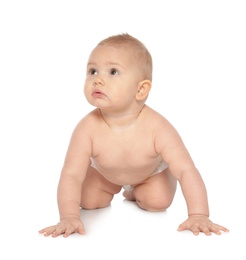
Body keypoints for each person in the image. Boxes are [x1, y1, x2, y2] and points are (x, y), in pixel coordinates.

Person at [39, 33, 229, 238]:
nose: (97, 80)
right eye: (92, 71)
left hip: (149, 173)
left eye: (113, 71)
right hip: (105, 173)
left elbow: (185, 169)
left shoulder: (158, 127)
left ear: (141, 89)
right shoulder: (87, 128)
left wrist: (199, 214)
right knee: (88, 202)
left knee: (157, 202)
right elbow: (72, 174)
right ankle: (116, 188)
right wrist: (68, 216)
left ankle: (134, 190)